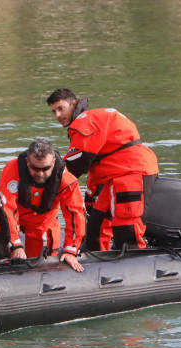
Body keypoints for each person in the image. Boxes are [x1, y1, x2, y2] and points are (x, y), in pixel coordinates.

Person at [47, 88, 160, 251]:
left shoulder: (84, 121)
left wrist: (48, 188)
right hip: (118, 174)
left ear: (73, 103)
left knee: (127, 231)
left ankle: (132, 261)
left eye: (60, 108)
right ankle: (95, 260)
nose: (57, 115)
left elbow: (78, 163)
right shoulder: (93, 119)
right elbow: (95, 162)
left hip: (131, 172)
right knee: (96, 230)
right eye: (54, 111)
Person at [0, 138, 85, 272]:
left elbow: (75, 213)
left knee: (40, 266)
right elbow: (6, 208)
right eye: (35, 168)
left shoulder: (66, 180)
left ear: (53, 162)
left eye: (45, 169)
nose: (40, 173)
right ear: (27, 162)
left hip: (42, 223)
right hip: (12, 219)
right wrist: (15, 244)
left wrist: (71, 250)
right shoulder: (12, 170)